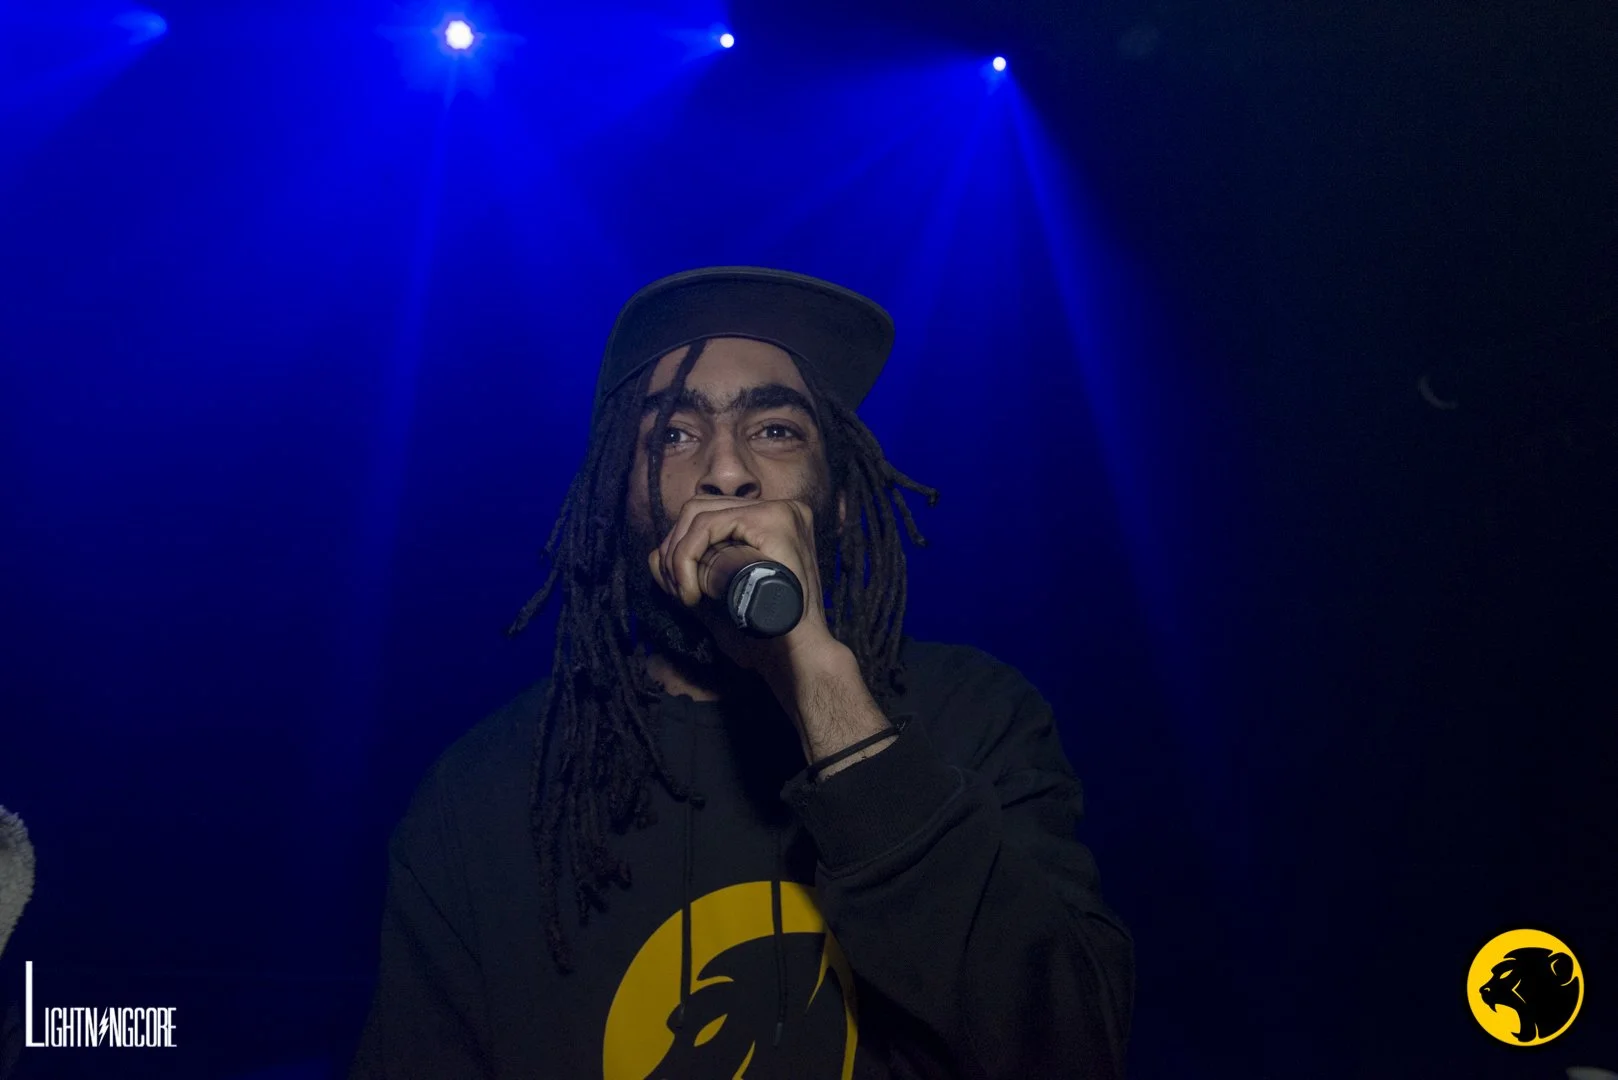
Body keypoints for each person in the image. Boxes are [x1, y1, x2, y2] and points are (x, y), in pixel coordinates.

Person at [349, 267, 1135, 1079]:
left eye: (776, 431)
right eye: (674, 436)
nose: (727, 472)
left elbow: (1072, 1047)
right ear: (616, 501)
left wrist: (821, 680)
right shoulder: (485, 796)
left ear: (834, 499)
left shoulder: (976, 717)